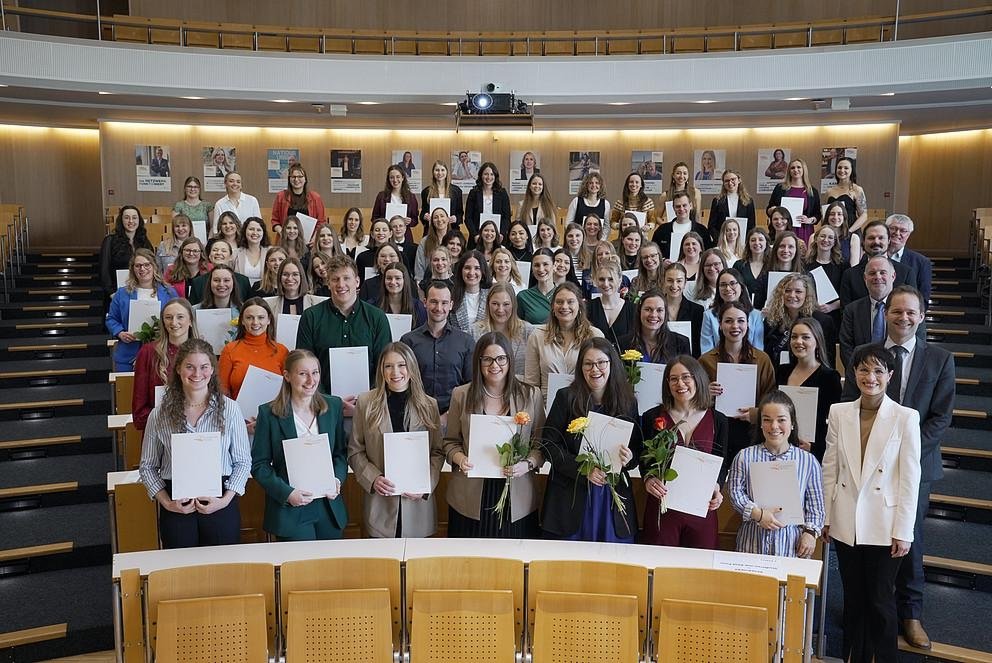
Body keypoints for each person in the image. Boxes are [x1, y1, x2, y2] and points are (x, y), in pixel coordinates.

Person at [841, 286, 954, 649]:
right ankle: (869, 612)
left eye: (911, 312)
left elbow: (940, 417)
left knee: (908, 539)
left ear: (921, 317)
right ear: (885, 313)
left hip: (915, 467)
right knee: (866, 545)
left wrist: (907, 458)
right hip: (865, 465)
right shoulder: (868, 356)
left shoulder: (939, 358)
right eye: (896, 311)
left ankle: (911, 612)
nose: (903, 318)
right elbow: (850, 404)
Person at [823, 344, 922, 663]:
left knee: (880, 602)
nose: (871, 377)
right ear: (853, 373)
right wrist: (825, 515)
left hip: (885, 523)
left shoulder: (906, 417)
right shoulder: (840, 413)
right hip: (846, 520)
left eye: (879, 370)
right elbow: (830, 466)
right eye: (864, 369)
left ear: (890, 376)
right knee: (854, 601)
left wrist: (904, 531)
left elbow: (910, 478)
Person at [138, 338, 251, 549]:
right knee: (180, 571)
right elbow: (147, 466)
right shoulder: (159, 414)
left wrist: (225, 500)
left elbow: (243, 462)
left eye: (204, 367)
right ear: (179, 369)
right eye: (190, 367)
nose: (197, 374)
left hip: (220, 499)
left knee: (223, 569)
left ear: (212, 370)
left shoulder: (231, 409)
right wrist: (167, 503)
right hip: (176, 504)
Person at [444, 332, 546, 537]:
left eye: (501, 359)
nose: (494, 365)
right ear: (478, 362)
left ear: (509, 359)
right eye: (487, 359)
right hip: (470, 496)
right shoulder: (461, 395)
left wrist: (526, 465)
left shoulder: (530, 395)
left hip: (517, 496)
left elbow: (540, 445)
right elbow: (450, 442)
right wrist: (460, 458)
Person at [541, 338, 642, 542]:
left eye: (601, 363)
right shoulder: (565, 397)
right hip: (571, 496)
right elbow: (549, 445)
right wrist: (582, 470)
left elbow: (636, 450)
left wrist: (629, 457)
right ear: (581, 368)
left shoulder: (628, 401)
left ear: (611, 364)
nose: (595, 369)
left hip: (611, 498)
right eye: (588, 364)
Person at [348, 342, 444, 538]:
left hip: (418, 504)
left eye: (401, 365)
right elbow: (355, 451)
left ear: (411, 367)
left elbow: (437, 452)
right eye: (388, 366)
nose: (395, 372)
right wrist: (373, 478)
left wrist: (426, 485)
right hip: (380, 504)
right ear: (381, 370)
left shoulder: (429, 404)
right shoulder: (366, 403)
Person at [251, 349, 348, 540]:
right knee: (298, 569)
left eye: (315, 372)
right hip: (290, 507)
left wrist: (337, 479)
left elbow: (340, 454)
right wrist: (287, 494)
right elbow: (259, 465)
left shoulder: (334, 406)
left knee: (331, 567)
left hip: (328, 507)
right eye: (303, 374)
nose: (311, 380)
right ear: (287, 376)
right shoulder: (268, 413)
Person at [640, 356, 728, 548]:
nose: (680, 384)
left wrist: (718, 487)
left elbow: (723, 463)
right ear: (667, 384)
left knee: (700, 571)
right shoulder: (651, 417)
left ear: (697, 379)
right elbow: (644, 459)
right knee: (659, 568)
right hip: (662, 509)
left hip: (702, 509)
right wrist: (648, 479)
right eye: (673, 379)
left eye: (686, 377)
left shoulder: (719, 420)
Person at [727, 391, 824, 556]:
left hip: (791, 545)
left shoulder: (808, 461)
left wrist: (810, 533)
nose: (774, 426)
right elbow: (735, 492)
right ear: (760, 424)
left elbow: (816, 505)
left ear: (792, 423)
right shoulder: (745, 456)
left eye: (781, 420)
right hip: (752, 542)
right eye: (767, 420)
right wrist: (757, 514)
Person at [296, 254, 392, 413]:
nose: (341, 284)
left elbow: (384, 366)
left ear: (357, 281)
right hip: (321, 408)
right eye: (335, 279)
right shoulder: (310, 317)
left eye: (346, 278)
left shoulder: (377, 318)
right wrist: (328, 402)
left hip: (370, 407)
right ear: (328, 283)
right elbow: (305, 367)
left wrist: (365, 402)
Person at [700, 301, 776, 460]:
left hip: (752, 431)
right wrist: (706, 393)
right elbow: (694, 400)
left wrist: (757, 413)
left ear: (748, 324)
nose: (735, 326)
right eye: (728, 321)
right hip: (716, 430)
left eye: (741, 321)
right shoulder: (705, 361)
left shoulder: (762, 359)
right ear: (720, 325)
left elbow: (771, 397)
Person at [400, 280, 475, 420]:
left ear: (451, 305)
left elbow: (470, 386)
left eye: (444, 303)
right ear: (425, 302)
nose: (439, 308)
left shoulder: (466, 341)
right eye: (434, 302)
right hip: (416, 415)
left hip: (455, 417)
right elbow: (403, 384)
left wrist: (448, 416)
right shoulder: (408, 341)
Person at [524, 282, 605, 401]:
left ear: (579, 305)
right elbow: (532, 383)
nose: (564, 306)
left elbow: (602, 378)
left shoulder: (594, 335)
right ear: (552, 307)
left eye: (570, 302)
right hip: (547, 407)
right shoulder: (537, 336)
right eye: (559, 302)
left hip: (586, 404)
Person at [776, 317, 842, 461]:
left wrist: (815, 447)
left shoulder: (830, 377)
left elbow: (833, 422)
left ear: (817, 342)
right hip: (781, 447)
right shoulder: (782, 371)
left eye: (805, 337)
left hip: (812, 453)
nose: (798, 342)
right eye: (794, 337)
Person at [218, 297, 289, 428]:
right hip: (238, 422)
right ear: (242, 321)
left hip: (275, 422)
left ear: (268, 320)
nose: (255, 322)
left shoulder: (282, 351)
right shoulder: (230, 350)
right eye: (249, 317)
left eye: (261, 317)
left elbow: (288, 391)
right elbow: (222, 391)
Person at [106, 249, 178, 371]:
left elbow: (179, 317)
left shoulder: (169, 292)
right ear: (133, 269)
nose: (142, 269)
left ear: (154, 266)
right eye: (138, 266)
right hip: (128, 354)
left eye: (146, 265)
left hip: (162, 354)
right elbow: (111, 319)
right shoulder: (122, 293)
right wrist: (120, 333)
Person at [132, 297, 197, 431]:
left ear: (190, 320)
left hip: (196, 430)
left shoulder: (202, 353)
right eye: (168, 317)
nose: (174, 322)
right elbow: (139, 411)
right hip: (158, 429)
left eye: (180, 317)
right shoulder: (148, 352)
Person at [763, 273, 836, 367]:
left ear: (807, 295)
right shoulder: (771, 321)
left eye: (798, 291)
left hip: (812, 376)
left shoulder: (822, 321)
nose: (792, 295)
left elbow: (828, 358)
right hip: (779, 376)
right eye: (787, 291)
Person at [839, 255, 900, 369]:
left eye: (883, 272)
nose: (877, 277)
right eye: (872, 273)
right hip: (862, 378)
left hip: (897, 377)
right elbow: (846, 348)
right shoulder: (852, 310)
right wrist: (861, 373)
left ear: (893, 276)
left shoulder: (905, 309)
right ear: (865, 278)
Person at [839, 221, 915, 306]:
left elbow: (912, 307)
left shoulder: (906, 273)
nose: (876, 242)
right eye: (871, 238)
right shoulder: (850, 275)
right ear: (863, 241)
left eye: (881, 238)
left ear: (889, 241)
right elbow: (845, 312)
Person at [700, 268, 764, 354]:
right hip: (716, 364)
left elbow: (758, 350)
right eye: (723, 285)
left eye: (732, 283)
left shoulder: (756, 315)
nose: (728, 288)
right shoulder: (709, 315)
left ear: (741, 287)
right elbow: (706, 351)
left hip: (748, 364)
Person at [473, 283, 535, 371]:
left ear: (513, 305)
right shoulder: (474, 331)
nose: (500, 309)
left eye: (506, 304)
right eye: (495, 304)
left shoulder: (528, 331)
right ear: (488, 304)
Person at [618, 289, 691, 362]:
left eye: (659, 310)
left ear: (665, 313)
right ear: (639, 311)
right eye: (648, 309)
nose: (653, 315)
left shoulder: (681, 343)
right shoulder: (622, 344)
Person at [100, 205, 153, 301]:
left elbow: (152, 266)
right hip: (116, 294)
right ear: (121, 221)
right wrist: (111, 293)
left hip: (140, 293)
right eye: (127, 217)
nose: (131, 221)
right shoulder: (110, 241)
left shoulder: (145, 241)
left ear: (139, 220)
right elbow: (104, 270)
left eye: (134, 217)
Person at [587, 257, 637, 353]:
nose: (606, 284)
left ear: (620, 280)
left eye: (610, 279)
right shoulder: (588, 308)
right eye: (602, 279)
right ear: (596, 281)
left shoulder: (633, 310)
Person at [767, 159, 821, 244]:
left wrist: (809, 220)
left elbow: (817, 214)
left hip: (804, 230)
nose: (795, 170)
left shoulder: (812, 191)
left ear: (804, 170)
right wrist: (773, 209)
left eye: (798, 167)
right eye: (792, 168)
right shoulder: (780, 188)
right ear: (789, 171)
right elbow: (769, 210)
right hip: (783, 228)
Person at [651, 191, 711, 263]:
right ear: (673, 208)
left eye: (684, 205)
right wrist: (663, 261)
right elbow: (653, 251)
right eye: (678, 206)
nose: (681, 209)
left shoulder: (701, 230)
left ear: (690, 206)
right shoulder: (662, 230)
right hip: (669, 271)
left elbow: (708, 253)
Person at [885, 214, 932, 305]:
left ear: (909, 234)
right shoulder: (874, 256)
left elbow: (923, 298)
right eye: (893, 228)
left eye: (903, 230)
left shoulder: (921, 262)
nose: (897, 233)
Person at [753, 231, 805, 309]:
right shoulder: (764, 277)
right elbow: (757, 307)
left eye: (790, 247)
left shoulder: (805, 276)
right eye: (782, 246)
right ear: (776, 249)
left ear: (796, 250)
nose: (786, 250)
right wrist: (762, 313)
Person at [805, 224, 847, 319]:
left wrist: (832, 306)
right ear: (816, 239)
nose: (826, 240)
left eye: (830, 238)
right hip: (811, 316)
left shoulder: (843, 266)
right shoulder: (806, 265)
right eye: (822, 236)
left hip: (835, 316)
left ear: (834, 242)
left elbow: (847, 294)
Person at [662, 262, 704, 355]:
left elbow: (697, 344)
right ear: (664, 281)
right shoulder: (656, 309)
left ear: (685, 283)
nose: (674, 285)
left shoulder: (697, 310)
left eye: (679, 281)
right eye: (670, 280)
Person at [271, 164, 325, 234]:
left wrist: (315, 238)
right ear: (289, 179)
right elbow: (275, 220)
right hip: (286, 240)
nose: (296, 179)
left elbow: (321, 222)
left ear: (305, 179)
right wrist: (282, 233)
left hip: (309, 241)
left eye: (300, 176)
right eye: (293, 177)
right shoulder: (281, 196)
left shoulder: (315, 197)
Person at [374, 261, 427, 331]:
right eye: (389, 278)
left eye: (398, 278)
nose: (393, 282)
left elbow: (422, 334)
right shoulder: (373, 305)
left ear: (405, 280)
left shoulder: (418, 307)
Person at [464, 162, 512, 237]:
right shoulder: (474, 193)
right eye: (486, 174)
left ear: (495, 176)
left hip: (498, 235)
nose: (489, 177)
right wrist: (475, 234)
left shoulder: (502, 193)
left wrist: (501, 233)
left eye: (492, 174)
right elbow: (468, 218)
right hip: (478, 236)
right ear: (481, 175)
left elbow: (507, 217)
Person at [708, 168, 756, 242]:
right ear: (723, 183)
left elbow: (751, 226)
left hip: (742, 242)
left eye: (733, 179)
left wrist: (745, 241)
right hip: (722, 242)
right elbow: (711, 226)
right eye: (726, 181)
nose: (730, 183)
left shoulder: (748, 201)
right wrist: (720, 240)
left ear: (739, 180)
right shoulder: (717, 201)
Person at [372, 165, 419, 241]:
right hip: (385, 237)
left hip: (404, 236)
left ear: (403, 178)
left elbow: (415, 221)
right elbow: (374, 218)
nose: (395, 180)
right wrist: (383, 222)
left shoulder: (411, 197)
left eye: (398, 177)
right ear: (388, 179)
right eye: (392, 177)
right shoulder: (381, 196)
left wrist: (409, 221)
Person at [449, 250, 491, 332]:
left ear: (483, 271)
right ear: (461, 271)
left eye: (477, 268)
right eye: (467, 268)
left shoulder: (491, 296)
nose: (472, 272)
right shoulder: (451, 295)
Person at [825, 156, 868, 235]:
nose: (842, 170)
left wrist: (849, 231)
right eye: (839, 167)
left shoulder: (857, 189)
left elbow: (864, 215)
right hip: (833, 232)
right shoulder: (829, 191)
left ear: (851, 170)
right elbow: (825, 214)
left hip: (851, 230)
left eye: (846, 168)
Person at [515, 249, 557, 325]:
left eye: (545, 264)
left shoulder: (563, 294)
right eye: (536, 265)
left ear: (554, 266)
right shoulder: (523, 296)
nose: (541, 269)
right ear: (532, 268)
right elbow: (518, 327)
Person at [420, 160, 464, 229]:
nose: (440, 173)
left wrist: (456, 218)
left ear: (446, 172)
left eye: (442, 170)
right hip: (432, 230)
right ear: (433, 172)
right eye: (437, 170)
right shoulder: (426, 192)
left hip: (451, 229)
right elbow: (423, 213)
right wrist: (424, 216)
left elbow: (460, 213)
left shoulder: (456, 191)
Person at [414, 207, 453, 282]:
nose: (439, 219)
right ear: (432, 222)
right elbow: (419, 266)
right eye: (435, 217)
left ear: (448, 219)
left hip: (452, 283)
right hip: (429, 282)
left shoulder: (454, 240)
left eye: (442, 216)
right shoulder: (424, 241)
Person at [821, 201, 862, 267]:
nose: (835, 217)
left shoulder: (854, 238)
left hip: (845, 276)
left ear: (844, 217)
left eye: (839, 214)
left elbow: (854, 267)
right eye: (832, 214)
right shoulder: (816, 237)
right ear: (827, 217)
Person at [733, 227, 771, 296]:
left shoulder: (773, 266)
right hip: (743, 306)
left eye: (761, 240)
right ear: (748, 244)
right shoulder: (739, 265)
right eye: (753, 240)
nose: (757, 243)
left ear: (766, 243)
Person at [233, 217, 270, 282]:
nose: (255, 233)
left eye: (258, 230)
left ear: (263, 233)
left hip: (264, 291)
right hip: (242, 291)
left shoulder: (270, 253)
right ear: (245, 231)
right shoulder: (235, 253)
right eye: (251, 229)